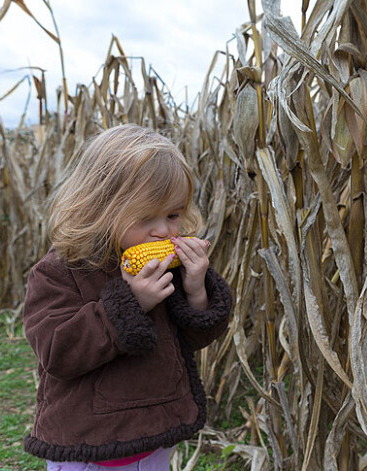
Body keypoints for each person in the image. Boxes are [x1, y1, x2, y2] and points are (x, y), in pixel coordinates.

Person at [22, 124, 232, 470]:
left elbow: (192, 338)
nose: (164, 230)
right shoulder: (59, 272)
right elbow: (57, 352)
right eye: (146, 217)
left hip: (152, 438)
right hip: (84, 444)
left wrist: (196, 291)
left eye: (173, 215)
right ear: (99, 206)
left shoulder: (165, 269)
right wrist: (130, 302)